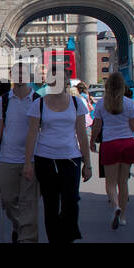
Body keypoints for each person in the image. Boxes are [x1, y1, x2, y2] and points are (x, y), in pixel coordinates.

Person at [23, 70, 92, 242]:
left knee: (71, 201)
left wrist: (88, 164)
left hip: (71, 158)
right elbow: (32, 134)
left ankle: (67, 234)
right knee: (51, 203)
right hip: (45, 158)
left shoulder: (77, 103)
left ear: (67, 81)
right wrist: (28, 163)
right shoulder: (38, 104)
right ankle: (55, 238)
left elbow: (82, 134)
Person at [0, 78, 41, 242]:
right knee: (7, 199)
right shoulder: (3, 101)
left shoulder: (37, 100)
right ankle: (20, 226)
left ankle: (27, 238)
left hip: (32, 159)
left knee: (29, 202)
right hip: (8, 157)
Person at [90, 72, 134, 230]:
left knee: (110, 183)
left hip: (109, 144)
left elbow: (96, 126)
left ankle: (115, 206)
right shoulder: (129, 103)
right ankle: (123, 216)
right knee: (123, 182)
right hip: (127, 144)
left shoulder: (101, 104)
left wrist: (92, 141)